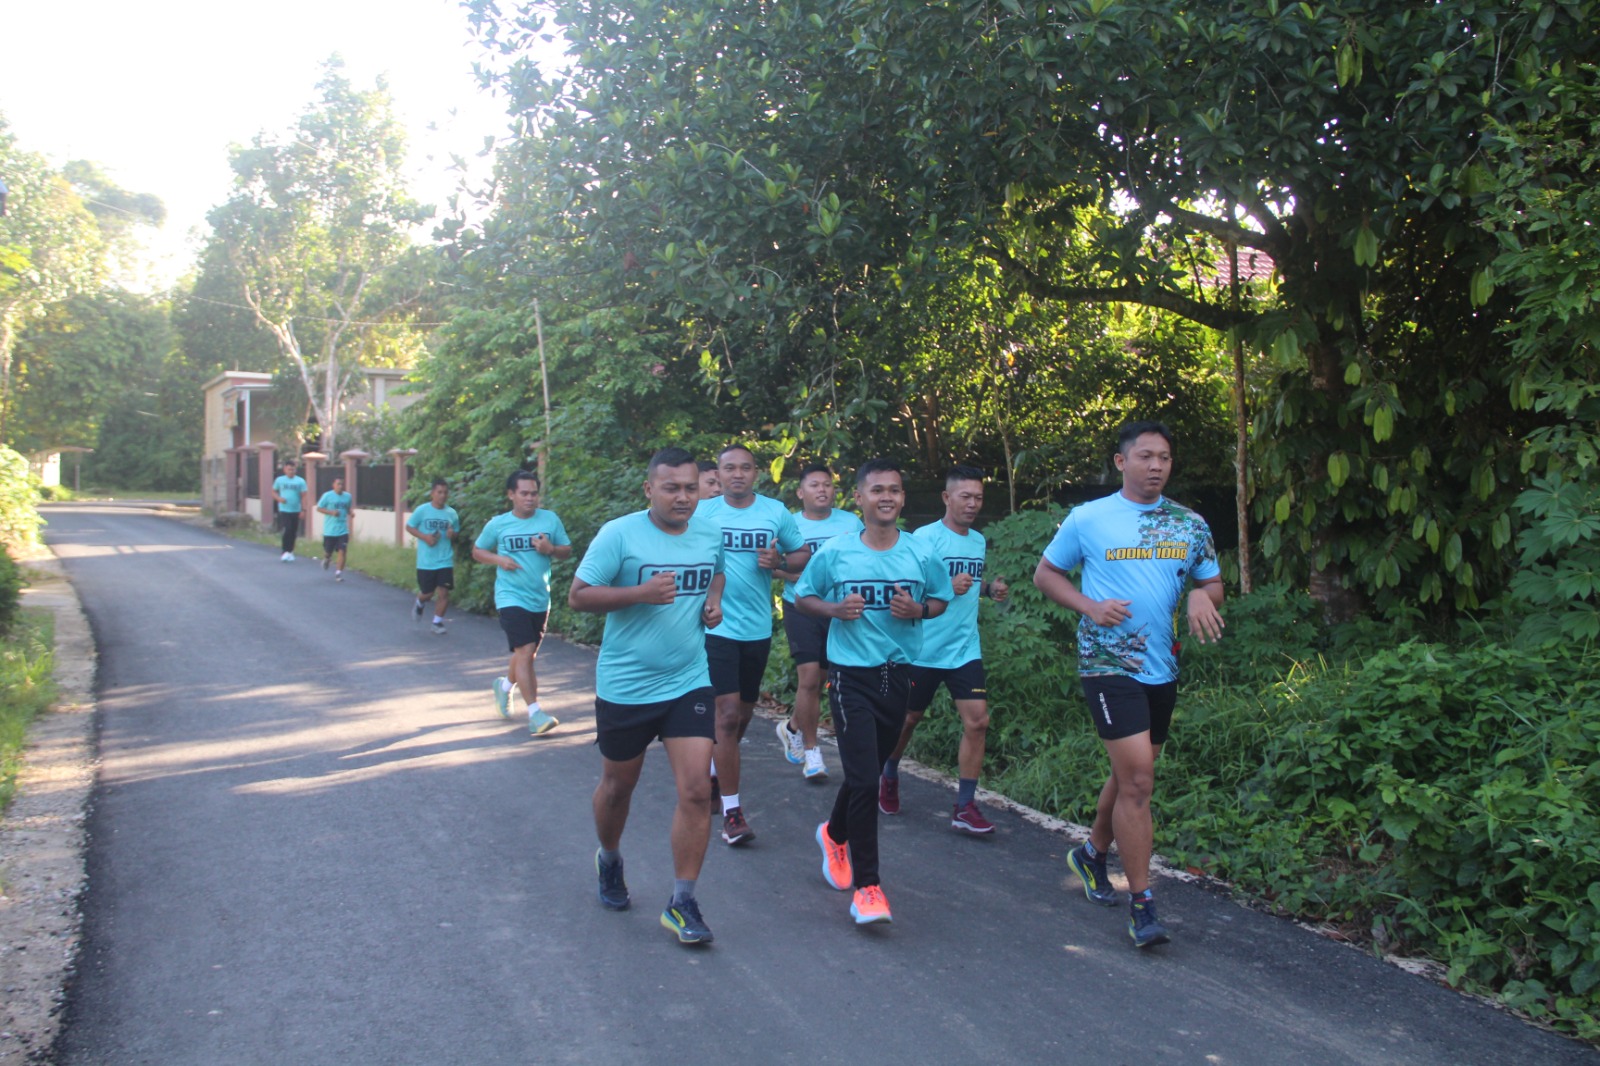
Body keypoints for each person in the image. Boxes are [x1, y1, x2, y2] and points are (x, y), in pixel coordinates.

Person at [1033, 421, 1224, 949]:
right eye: (1145, 456)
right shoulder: (1089, 518)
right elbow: (1046, 575)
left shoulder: (1189, 524)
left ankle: (1092, 854)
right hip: (1107, 663)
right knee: (1139, 782)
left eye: (1164, 456)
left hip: (1161, 667)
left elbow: (1212, 583)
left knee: (1130, 775)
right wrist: (1090, 606)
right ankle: (1143, 906)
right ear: (1121, 462)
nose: (1156, 465)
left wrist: (1201, 596)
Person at [570, 447, 726, 945]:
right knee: (618, 788)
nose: (683, 497)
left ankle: (683, 902)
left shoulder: (708, 532)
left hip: (688, 680)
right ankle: (610, 858)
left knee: (698, 789)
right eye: (671, 488)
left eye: (690, 487)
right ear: (649, 489)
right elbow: (579, 594)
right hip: (627, 685)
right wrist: (639, 593)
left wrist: (713, 601)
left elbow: (716, 569)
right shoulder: (620, 534)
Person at [794, 458, 952, 925]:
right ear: (859, 498)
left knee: (867, 773)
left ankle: (834, 833)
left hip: (899, 675)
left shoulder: (921, 552)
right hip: (850, 676)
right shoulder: (838, 552)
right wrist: (835, 609)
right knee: (865, 780)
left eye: (895, 490)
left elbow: (941, 599)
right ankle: (868, 887)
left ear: (902, 499)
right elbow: (804, 596)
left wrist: (918, 609)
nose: (887, 497)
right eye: (877, 489)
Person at [880, 465, 1010, 833]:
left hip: (964, 648)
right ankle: (888, 774)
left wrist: (988, 590)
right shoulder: (925, 538)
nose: (972, 504)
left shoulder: (978, 541)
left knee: (978, 721)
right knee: (908, 720)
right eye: (965, 496)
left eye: (978, 497)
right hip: (922, 648)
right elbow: (905, 589)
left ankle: (965, 807)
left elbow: (970, 583)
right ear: (946, 498)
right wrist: (947, 584)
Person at [695, 444, 810, 845]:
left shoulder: (775, 512)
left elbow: (802, 555)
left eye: (745, 468)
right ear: (719, 474)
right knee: (725, 716)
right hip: (714, 628)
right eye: (729, 468)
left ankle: (714, 774)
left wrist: (778, 561)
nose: (737, 474)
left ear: (755, 473)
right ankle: (733, 813)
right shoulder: (702, 513)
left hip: (757, 628)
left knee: (741, 718)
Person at [771, 463, 862, 781]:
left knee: (827, 679)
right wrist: (797, 574)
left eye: (827, 484)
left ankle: (792, 726)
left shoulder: (851, 522)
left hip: (839, 609)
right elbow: (773, 566)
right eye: (814, 485)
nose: (822, 489)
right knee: (810, 679)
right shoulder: (789, 525)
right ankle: (812, 753)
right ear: (800, 492)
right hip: (802, 607)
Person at [472, 471, 572, 734]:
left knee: (526, 655)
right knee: (525, 651)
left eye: (534, 493)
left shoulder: (550, 519)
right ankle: (536, 714)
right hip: (510, 596)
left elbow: (567, 551)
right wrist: (499, 560)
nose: (530, 498)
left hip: (540, 598)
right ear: (511, 495)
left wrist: (550, 549)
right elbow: (477, 551)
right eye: (524, 493)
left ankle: (504, 686)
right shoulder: (498, 524)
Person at [407, 479, 462, 635]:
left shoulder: (451, 513)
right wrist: (424, 537)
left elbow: (455, 531)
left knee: (444, 592)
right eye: (439, 492)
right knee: (428, 593)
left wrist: (453, 534)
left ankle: (437, 622)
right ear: (432, 493)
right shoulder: (422, 510)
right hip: (426, 561)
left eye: (445, 492)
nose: (442, 495)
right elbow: (409, 526)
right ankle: (420, 602)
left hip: (445, 560)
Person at [314, 476, 353, 581]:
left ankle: (338, 573)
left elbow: (348, 508)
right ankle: (327, 558)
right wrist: (331, 512)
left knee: (343, 551)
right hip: (330, 530)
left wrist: (351, 513)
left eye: (342, 484)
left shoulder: (348, 496)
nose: (340, 486)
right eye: (338, 484)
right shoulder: (327, 496)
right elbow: (319, 508)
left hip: (343, 529)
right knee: (328, 551)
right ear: (333, 485)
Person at [271, 459, 308, 562]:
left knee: (293, 531)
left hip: (296, 509)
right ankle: (285, 551)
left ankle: (290, 551)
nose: (291, 471)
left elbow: (304, 496)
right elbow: (273, 492)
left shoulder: (300, 481)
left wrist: (303, 510)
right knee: (287, 529)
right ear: (285, 470)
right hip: (284, 509)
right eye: (289, 469)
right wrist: (279, 499)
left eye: (293, 469)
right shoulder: (280, 480)